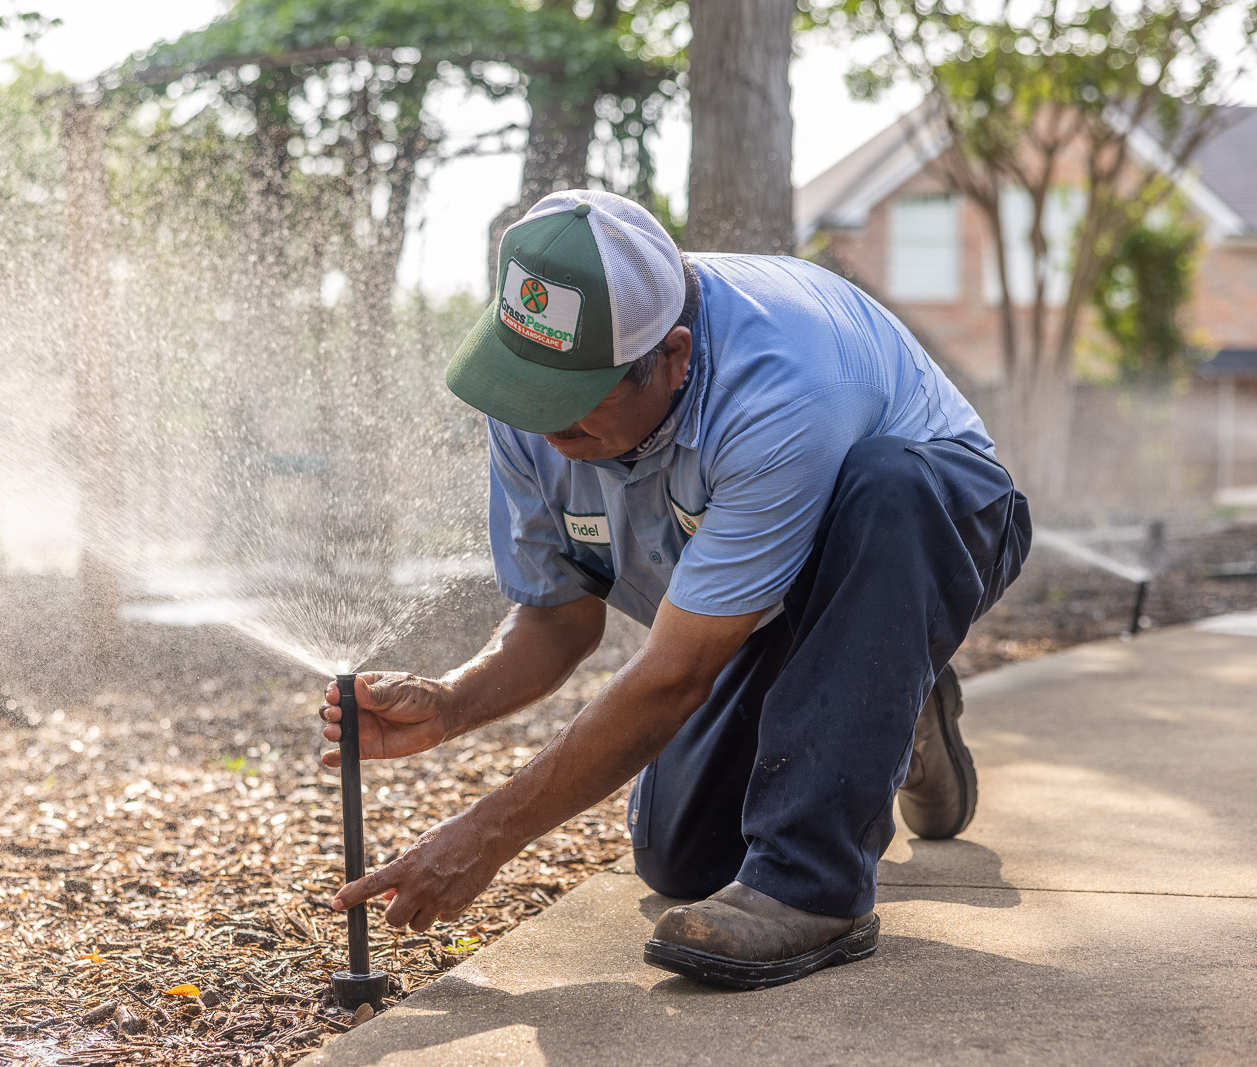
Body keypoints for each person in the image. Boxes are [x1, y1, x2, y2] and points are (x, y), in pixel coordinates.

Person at [319, 190, 1031, 989]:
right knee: (679, 855)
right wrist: (452, 703)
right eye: (529, 390)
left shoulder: (781, 386)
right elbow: (560, 616)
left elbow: (676, 676)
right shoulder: (530, 399)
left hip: (938, 517)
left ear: (675, 357)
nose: (543, 428)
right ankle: (900, 687)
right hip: (769, 600)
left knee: (888, 485)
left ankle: (813, 886)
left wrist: (487, 833)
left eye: (572, 404)